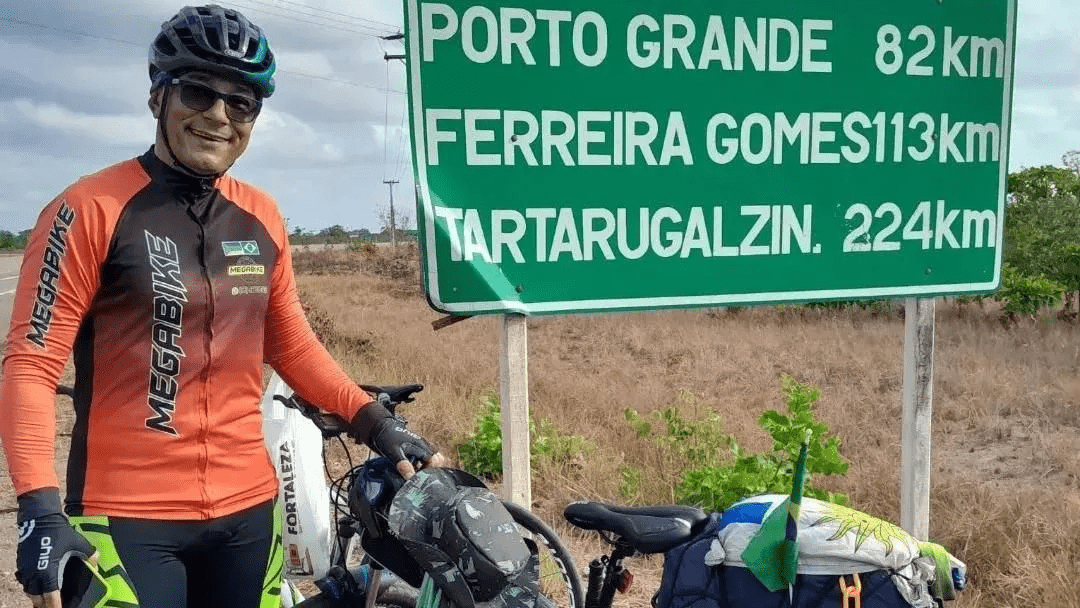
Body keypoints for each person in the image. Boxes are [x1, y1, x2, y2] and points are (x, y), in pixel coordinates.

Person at [0, 5, 445, 608]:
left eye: (241, 104)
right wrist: (37, 509)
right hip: (125, 517)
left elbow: (291, 345)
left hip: (247, 514)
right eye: (198, 93)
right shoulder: (87, 209)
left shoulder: (260, 216)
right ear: (158, 97)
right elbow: (31, 364)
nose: (218, 116)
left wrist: (376, 423)